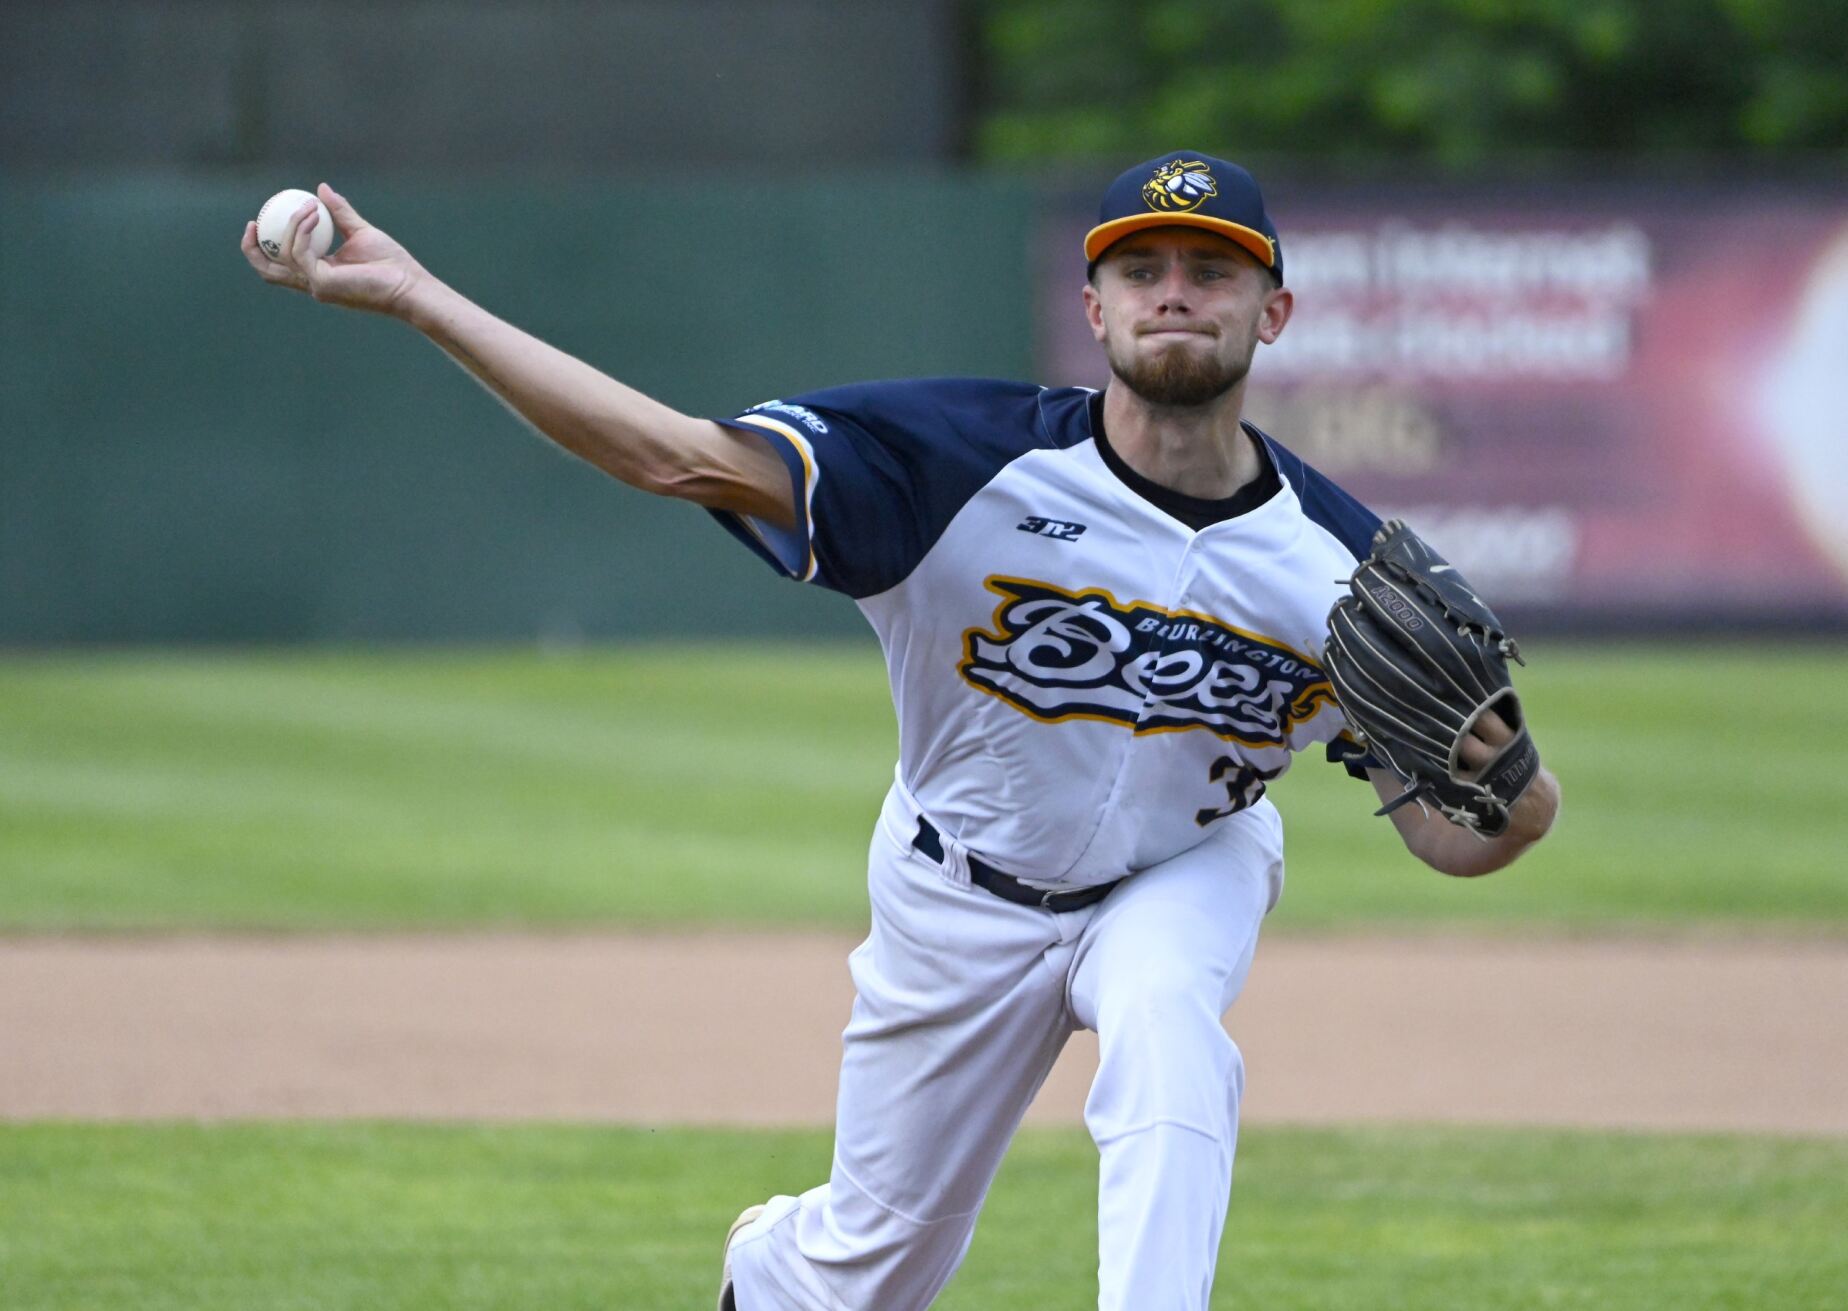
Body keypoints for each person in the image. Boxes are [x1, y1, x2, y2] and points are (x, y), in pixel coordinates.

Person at [242, 151, 1560, 1311]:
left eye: (1211, 271)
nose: (1175, 291)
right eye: (1141, 265)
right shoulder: (950, 460)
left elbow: (1458, 840)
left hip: (1186, 864)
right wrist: (420, 298)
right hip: (957, 894)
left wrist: (1518, 794)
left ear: (1271, 312)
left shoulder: (1344, 568)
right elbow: (672, 456)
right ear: (1091, 305)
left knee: (1167, 1025)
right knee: (868, 1270)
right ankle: (776, 1272)